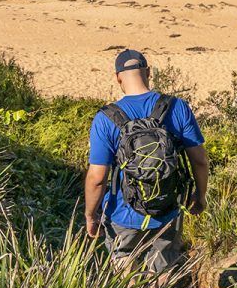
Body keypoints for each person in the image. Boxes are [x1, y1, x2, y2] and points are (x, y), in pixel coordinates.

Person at [84, 49, 209, 273]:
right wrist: (200, 196)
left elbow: (97, 178)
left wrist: (90, 215)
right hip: (168, 208)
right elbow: (199, 161)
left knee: (124, 266)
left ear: (118, 77)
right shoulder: (177, 107)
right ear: (148, 72)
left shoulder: (105, 118)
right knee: (162, 270)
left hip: (122, 213)